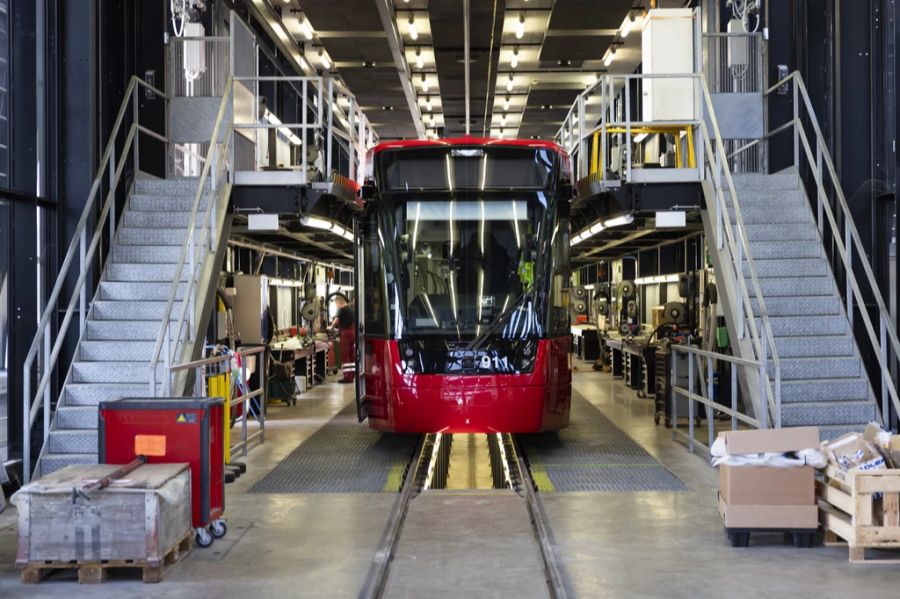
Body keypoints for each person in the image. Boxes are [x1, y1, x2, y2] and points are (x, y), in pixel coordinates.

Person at [329, 295, 356, 384]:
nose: (336, 305)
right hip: (352, 333)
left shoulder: (342, 310)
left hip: (346, 334)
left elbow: (336, 321)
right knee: (351, 354)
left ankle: (347, 377)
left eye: (336, 303)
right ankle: (352, 374)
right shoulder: (351, 309)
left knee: (344, 354)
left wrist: (331, 327)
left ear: (339, 302)